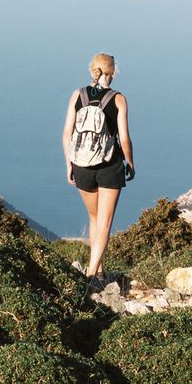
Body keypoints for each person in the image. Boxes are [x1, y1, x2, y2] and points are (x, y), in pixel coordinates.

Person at [62, 52, 134, 287]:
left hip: (82, 165)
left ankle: (100, 271)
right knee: (104, 222)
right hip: (109, 166)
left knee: (94, 218)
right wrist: (130, 163)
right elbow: (124, 138)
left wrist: (69, 163)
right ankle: (91, 275)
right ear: (113, 72)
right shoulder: (118, 99)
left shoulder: (78, 95)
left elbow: (67, 133)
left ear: (92, 70)